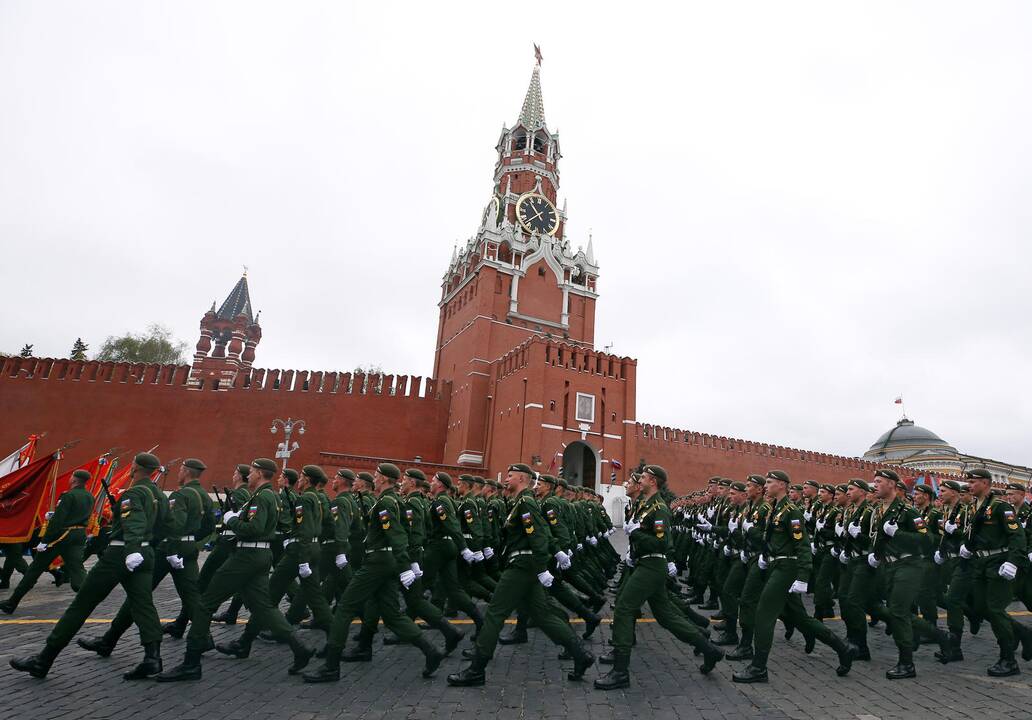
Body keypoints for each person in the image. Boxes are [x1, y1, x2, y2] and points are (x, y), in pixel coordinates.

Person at [156, 458, 314, 682]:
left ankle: (191, 663)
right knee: (264, 608)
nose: (248, 475)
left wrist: (232, 521)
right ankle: (300, 648)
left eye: (250, 471)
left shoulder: (262, 497)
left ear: (259, 473)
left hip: (246, 556)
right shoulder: (270, 496)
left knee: (204, 604)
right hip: (260, 556)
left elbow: (254, 528)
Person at [10, 453, 167, 679]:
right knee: (143, 605)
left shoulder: (133, 492)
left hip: (120, 554)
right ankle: (153, 658)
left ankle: (43, 659)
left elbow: (134, 522)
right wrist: (147, 546)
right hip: (146, 554)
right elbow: (165, 526)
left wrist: (132, 548)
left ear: (135, 467)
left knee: (82, 604)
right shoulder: (159, 495)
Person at [447, 463, 594, 687]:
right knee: (542, 615)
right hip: (525, 565)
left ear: (523, 479)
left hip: (522, 565)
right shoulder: (520, 502)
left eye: (510, 475)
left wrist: (543, 567)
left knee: (496, 613)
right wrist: (553, 555)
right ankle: (580, 655)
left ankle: (477, 667)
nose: (506, 479)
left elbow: (538, 535)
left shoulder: (525, 502)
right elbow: (543, 531)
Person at [301, 463, 445, 682]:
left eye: (377, 476)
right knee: (392, 615)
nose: (374, 479)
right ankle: (430, 651)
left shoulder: (387, 501)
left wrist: (406, 564)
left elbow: (397, 534)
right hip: (387, 562)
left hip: (377, 561)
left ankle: (331, 666)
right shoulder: (396, 500)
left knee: (345, 607)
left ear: (385, 479)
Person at [79, 458, 214, 674]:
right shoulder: (204, 496)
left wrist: (162, 543)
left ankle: (109, 640)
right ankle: (204, 637)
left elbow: (173, 526)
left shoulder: (180, 495)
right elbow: (207, 525)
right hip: (188, 550)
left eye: (180, 470)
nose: (178, 473)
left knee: (138, 596)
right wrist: (192, 541)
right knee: (191, 596)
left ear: (186, 472)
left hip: (168, 550)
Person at [594, 465, 723, 690]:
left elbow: (661, 544)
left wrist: (637, 533)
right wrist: (633, 551)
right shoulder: (645, 505)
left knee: (624, 608)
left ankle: (621, 671)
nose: (639, 480)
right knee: (665, 616)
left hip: (652, 565)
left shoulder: (659, 508)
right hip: (644, 562)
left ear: (653, 481)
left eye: (642, 477)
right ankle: (710, 649)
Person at [731, 470, 854, 684]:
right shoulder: (775, 509)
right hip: (773, 564)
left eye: (769, 482)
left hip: (786, 567)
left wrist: (803, 576)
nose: (766, 486)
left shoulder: (791, 511)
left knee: (764, 614)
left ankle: (759, 667)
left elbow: (802, 545)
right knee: (799, 618)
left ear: (781, 484)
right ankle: (842, 648)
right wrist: (763, 551)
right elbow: (773, 539)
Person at [960, 468, 1027, 677]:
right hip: (980, 562)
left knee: (995, 609)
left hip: (998, 561)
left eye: (974, 482)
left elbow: (1017, 536)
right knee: (981, 607)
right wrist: (967, 547)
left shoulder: (1000, 506)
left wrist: (1013, 562)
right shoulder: (973, 506)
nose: (970, 485)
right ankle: (1024, 633)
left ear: (986, 483)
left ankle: (1008, 659)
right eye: (968, 482)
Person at [0, 468, 93, 613]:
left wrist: (45, 540)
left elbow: (58, 520)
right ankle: (87, 598)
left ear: (74, 480)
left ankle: (12, 602)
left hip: (60, 536)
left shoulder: (68, 496)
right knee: (77, 568)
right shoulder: (89, 496)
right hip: (78, 535)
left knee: (35, 569)